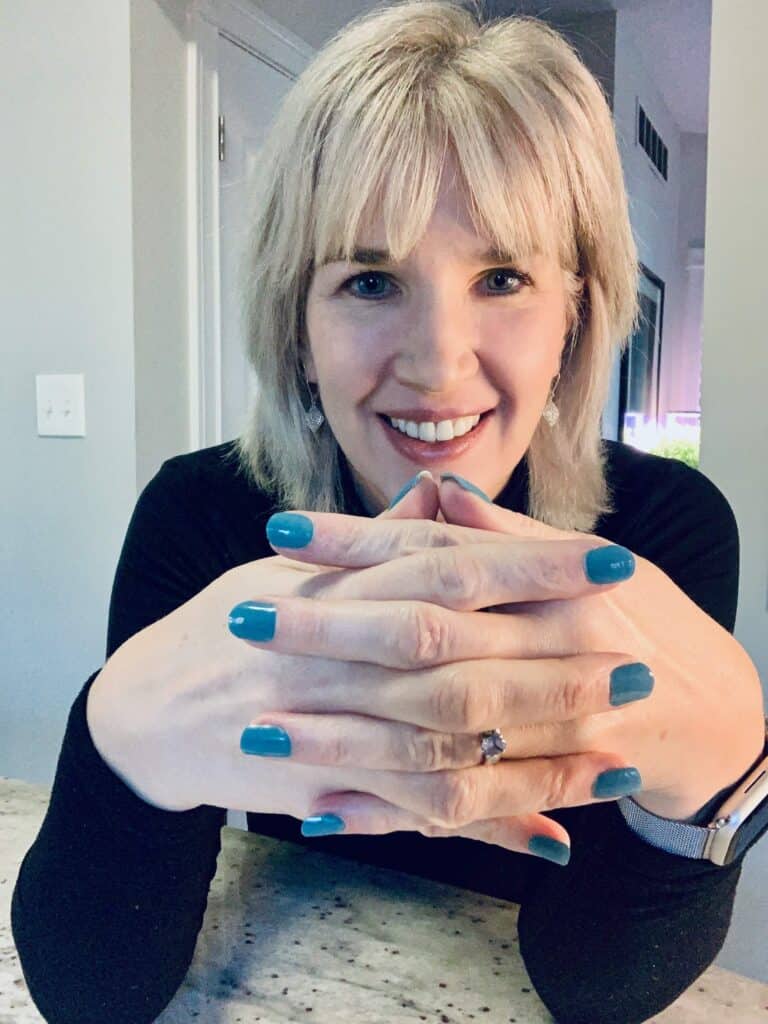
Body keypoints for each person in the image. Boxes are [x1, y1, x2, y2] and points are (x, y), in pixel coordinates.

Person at [11, 2, 767, 1022]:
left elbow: (591, 985)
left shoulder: (662, 532)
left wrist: (723, 782)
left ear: (575, 310)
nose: (437, 360)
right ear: (297, 322)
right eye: (370, 280)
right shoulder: (201, 519)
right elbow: (93, 990)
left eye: (503, 276)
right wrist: (116, 732)